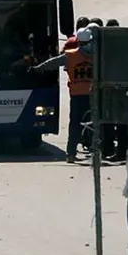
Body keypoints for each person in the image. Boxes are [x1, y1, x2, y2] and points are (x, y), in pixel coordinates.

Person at [34, 27, 93, 163]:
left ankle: (71, 154)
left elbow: (52, 63)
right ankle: (96, 151)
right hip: (93, 94)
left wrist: (38, 69)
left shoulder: (70, 55)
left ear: (77, 40)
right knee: (95, 123)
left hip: (77, 95)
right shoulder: (98, 55)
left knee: (75, 124)